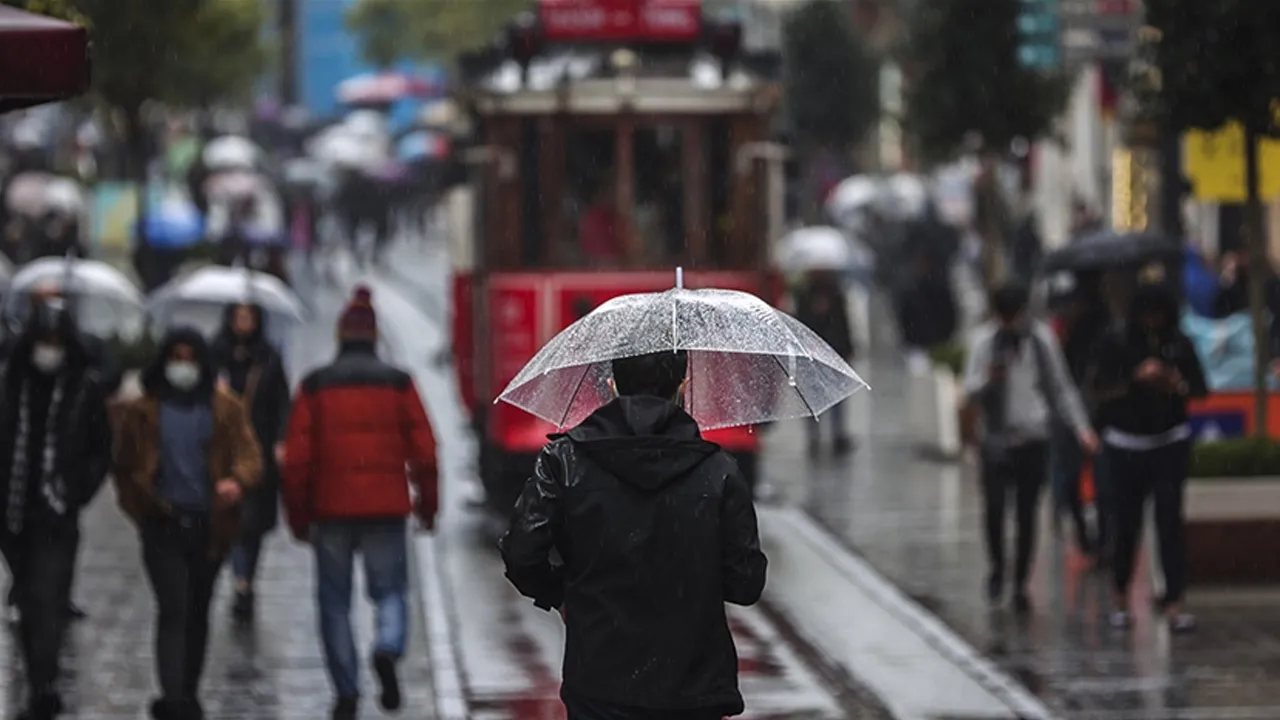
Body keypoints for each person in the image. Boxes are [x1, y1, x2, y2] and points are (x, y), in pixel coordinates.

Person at [500, 349, 767, 720]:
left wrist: (561, 595)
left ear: (612, 387)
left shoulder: (565, 461)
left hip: (599, 684)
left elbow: (521, 551)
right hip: (693, 687)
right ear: (682, 387)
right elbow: (746, 583)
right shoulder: (717, 471)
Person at [281, 286, 438, 720]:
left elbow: (296, 461)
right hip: (387, 507)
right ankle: (387, 646)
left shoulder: (314, 386)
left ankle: (347, 691)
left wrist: (298, 517)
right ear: (374, 338)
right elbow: (426, 452)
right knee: (390, 592)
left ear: (339, 337)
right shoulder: (399, 383)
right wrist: (428, 507)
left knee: (334, 602)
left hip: (330, 512)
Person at [113, 327, 262, 720]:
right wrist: (141, 507)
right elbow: (125, 466)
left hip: (209, 526)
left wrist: (237, 482)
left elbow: (250, 454)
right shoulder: (144, 410)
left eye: (189, 358)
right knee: (174, 607)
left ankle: (188, 689)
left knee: (197, 609)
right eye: (175, 358)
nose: (183, 366)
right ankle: (173, 696)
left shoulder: (224, 407)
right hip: (161, 524)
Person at [0, 299, 111, 719]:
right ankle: (36, 677)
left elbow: (100, 448)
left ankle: (44, 683)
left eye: (55, 341)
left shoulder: (83, 389)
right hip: (12, 513)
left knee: (50, 598)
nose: (49, 349)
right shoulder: (10, 383)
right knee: (29, 601)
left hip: (57, 515)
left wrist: (75, 490)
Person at [962, 283, 1098, 613]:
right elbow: (968, 388)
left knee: (1027, 514)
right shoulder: (984, 342)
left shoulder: (1041, 341)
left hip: (1033, 439)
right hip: (995, 439)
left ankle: (1020, 581)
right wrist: (987, 380)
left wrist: (1082, 429)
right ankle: (997, 568)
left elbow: (1061, 387)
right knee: (995, 510)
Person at [1093, 282, 1207, 632]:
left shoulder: (1178, 343)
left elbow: (1201, 388)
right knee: (1126, 524)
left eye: (1158, 315)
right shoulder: (1117, 342)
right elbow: (1099, 389)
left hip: (1169, 441)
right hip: (1126, 444)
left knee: (1170, 523)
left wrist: (1176, 384)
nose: (1152, 322)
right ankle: (1120, 598)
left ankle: (1173, 601)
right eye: (1146, 315)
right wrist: (1135, 379)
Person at [211, 303, 291, 622]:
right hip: (223, 449)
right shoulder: (215, 354)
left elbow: (282, 401)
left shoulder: (268, 356)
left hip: (258, 448)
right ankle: (240, 580)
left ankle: (246, 579)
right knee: (232, 518)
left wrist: (280, 440)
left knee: (253, 523)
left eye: (250, 317)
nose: (243, 323)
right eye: (239, 317)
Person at [1048, 283, 1111, 559]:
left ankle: (1102, 537)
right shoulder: (1061, 334)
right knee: (1070, 475)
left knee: (1102, 478)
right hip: (1069, 415)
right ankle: (1083, 530)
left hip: (1097, 412)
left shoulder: (1104, 332)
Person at [794, 271, 855, 455]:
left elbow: (843, 323)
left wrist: (848, 347)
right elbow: (801, 324)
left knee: (837, 397)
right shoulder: (805, 295)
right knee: (813, 397)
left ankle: (838, 435)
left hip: (834, 351)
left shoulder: (836, 294)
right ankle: (814, 437)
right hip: (812, 353)